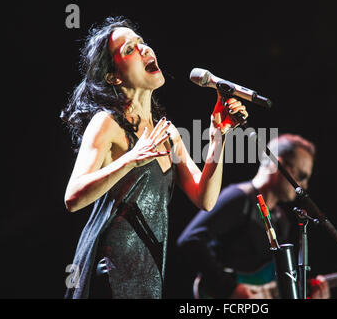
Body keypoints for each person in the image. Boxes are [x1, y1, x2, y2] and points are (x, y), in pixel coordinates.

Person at [60, 16, 248, 299]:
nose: (144, 49)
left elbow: (205, 199)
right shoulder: (107, 123)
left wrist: (218, 135)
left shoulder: (167, 132)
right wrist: (131, 159)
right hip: (112, 269)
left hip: (149, 270)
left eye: (142, 42)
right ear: (114, 76)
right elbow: (73, 198)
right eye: (129, 49)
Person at [177, 134, 330, 299]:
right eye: (301, 176)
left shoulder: (281, 220)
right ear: (276, 163)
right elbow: (191, 239)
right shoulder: (238, 198)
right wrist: (229, 289)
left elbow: (274, 282)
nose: (304, 185)